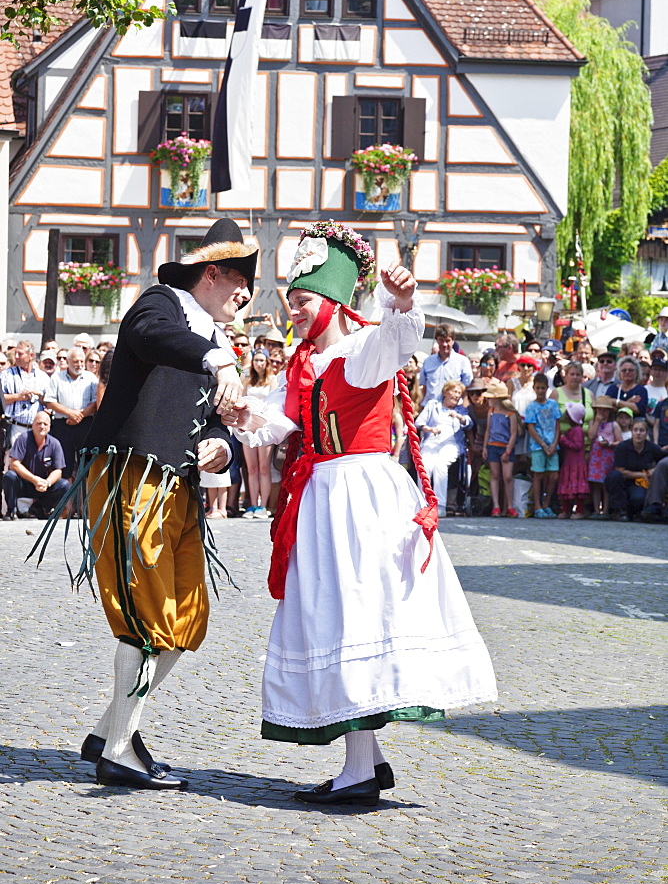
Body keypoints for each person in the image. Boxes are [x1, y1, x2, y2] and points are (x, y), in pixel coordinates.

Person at [226, 220, 497, 806]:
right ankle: (367, 762)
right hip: (322, 499)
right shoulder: (302, 363)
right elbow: (281, 423)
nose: (292, 313)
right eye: (292, 303)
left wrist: (401, 300)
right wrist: (243, 417)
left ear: (330, 299)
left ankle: (358, 772)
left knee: (354, 618)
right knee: (338, 617)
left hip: (361, 498)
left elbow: (399, 338)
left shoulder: (362, 350)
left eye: (300, 302)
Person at [29, 217, 258, 792]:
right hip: (133, 475)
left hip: (180, 486)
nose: (247, 296)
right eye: (240, 283)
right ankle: (119, 753)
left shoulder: (216, 341)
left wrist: (221, 446)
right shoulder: (161, 304)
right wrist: (216, 358)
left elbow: (219, 425)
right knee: (145, 613)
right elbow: (153, 338)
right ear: (212, 274)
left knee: (185, 620)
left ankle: (109, 733)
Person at [416, 380, 472, 517]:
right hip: (432, 440)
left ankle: (440, 505)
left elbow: (469, 423)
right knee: (425, 465)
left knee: (440, 465)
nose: (457, 395)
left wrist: (459, 417)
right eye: (454, 391)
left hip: (451, 443)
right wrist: (429, 428)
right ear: (445, 392)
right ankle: (423, 503)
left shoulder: (461, 409)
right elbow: (419, 422)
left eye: (459, 393)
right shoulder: (432, 405)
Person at [2, 410, 70, 520]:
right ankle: (11, 510)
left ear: (49, 426)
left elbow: (58, 471)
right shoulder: (23, 439)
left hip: (43, 485)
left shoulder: (55, 443)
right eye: (38, 423)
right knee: (9, 476)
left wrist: (47, 483)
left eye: (45, 424)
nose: (42, 426)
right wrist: (34, 479)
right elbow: (14, 464)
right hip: (24, 483)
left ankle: (40, 508)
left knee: (64, 485)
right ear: (32, 425)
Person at [44, 347, 98, 480]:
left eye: (81, 361)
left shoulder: (91, 378)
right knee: (64, 466)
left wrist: (79, 416)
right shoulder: (57, 378)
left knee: (85, 466)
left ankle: (84, 500)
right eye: (75, 361)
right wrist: (70, 413)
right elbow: (49, 401)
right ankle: (66, 500)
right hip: (63, 426)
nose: (79, 364)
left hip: (85, 425)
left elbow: (96, 402)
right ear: (68, 361)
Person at [605, 418, 666, 521]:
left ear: (646, 433)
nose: (638, 433)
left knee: (639, 499)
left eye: (641, 430)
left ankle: (634, 513)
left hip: (639, 484)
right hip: (622, 481)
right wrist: (642, 474)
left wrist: (655, 469)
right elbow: (620, 471)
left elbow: (663, 463)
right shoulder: (622, 447)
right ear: (631, 431)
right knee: (614, 475)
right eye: (635, 430)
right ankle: (618, 511)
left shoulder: (652, 448)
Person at [241, 348, 277, 519]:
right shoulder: (247, 378)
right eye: (256, 360)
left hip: (265, 427)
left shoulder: (272, 379)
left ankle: (263, 506)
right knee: (252, 468)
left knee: (264, 467)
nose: (259, 364)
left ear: (267, 362)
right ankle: (253, 505)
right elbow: (240, 399)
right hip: (248, 426)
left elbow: (275, 404)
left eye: (262, 360)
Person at [524, 373, 561, 519]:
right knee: (538, 475)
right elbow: (531, 428)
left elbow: (557, 425)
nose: (540, 391)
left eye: (543, 388)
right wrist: (543, 445)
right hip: (538, 446)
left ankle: (546, 503)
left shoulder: (553, 404)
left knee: (553, 475)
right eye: (538, 388)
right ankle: (538, 506)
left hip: (552, 444)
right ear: (534, 388)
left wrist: (554, 443)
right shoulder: (531, 407)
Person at [1, 340, 51, 446]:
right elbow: (1, 399)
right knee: (13, 461)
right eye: (16, 353)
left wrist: (39, 395)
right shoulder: (7, 375)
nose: (17, 356)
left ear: (31, 355)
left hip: (37, 429)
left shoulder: (43, 377)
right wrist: (17, 397)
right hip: (16, 426)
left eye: (20, 354)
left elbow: (49, 401)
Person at [481, 378, 518, 517]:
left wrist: (508, 450)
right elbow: (488, 430)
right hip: (492, 446)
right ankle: (496, 505)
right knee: (495, 475)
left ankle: (509, 505)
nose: (488, 400)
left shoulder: (510, 414)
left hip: (505, 446)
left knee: (507, 476)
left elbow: (513, 433)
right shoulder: (491, 411)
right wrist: (485, 447)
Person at [587, 396, 622, 519]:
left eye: (605, 410)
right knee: (595, 484)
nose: (602, 412)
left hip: (607, 457)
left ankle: (606, 510)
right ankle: (596, 510)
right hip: (595, 456)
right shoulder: (592, 422)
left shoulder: (614, 425)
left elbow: (620, 442)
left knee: (605, 485)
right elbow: (591, 436)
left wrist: (610, 444)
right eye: (599, 409)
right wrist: (597, 422)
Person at [419, 325, 472, 403]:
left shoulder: (462, 362)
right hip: (430, 407)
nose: (444, 344)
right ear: (436, 340)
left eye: (447, 340)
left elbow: (466, 388)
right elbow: (424, 387)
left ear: (453, 341)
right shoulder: (428, 361)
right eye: (441, 340)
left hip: (453, 409)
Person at [557, 403, 589, 519]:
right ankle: (566, 510)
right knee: (567, 487)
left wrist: (563, 440)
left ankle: (579, 511)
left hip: (576, 463)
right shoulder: (573, 430)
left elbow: (577, 445)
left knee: (577, 488)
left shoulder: (577, 430)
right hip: (569, 462)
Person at [550, 361, 594, 437]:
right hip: (563, 442)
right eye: (572, 374)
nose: (575, 377)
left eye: (578, 375)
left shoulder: (589, 394)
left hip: (585, 442)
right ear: (566, 376)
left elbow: (594, 420)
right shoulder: (556, 393)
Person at [645, 355, 668, 421]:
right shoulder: (644, 389)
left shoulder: (666, 391)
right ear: (651, 371)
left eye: (661, 370)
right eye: (655, 369)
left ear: (666, 372)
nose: (657, 372)